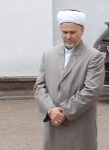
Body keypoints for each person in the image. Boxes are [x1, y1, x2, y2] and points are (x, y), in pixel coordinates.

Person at [34, 10, 105, 150]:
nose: (68, 36)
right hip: (53, 123)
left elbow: (92, 90)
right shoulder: (48, 55)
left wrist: (64, 112)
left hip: (79, 123)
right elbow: (39, 87)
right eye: (64, 32)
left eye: (72, 32)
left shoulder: (94, 56)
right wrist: (50, 110)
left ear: (82, 30)